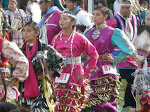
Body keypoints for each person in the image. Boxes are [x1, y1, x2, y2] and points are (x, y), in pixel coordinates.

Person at [82, 6, 136, 112]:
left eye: (98, 15)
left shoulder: (113, 32)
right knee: (87, 99)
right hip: (88, 68)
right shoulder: (88, 32)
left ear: (105, 16)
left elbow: (129, 49)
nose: (95, 17)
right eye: (94, 14)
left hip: (104, 69)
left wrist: (115, 60)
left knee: (104, 100)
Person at [51, 12, 99, 112]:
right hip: (59, 75)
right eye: (60, 19)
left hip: (75, 74)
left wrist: (86, 74)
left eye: (65, 19)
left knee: (72, 103)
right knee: (58, 103)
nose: (61, 21)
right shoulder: (56, 38)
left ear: (73, 23)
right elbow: (51, 58)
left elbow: (94, 55)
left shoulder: (80, 38)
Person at [20, 21, 64, 112]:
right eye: (24, 31)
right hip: (25, 86)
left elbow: (60, 60)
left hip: (41, 86)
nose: (25, 33)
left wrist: (49, 73)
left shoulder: (45, 49)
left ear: (37, 33)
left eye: (28, 31)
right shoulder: (21, 50)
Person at [107, 0, 140, 110]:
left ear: (132, 8)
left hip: (132, 56)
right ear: (119, 8)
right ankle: (112, 104)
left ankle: (130, 104)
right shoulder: (113, 21)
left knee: (133, 81)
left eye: (127, 7)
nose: (125, 10)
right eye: (123, 8)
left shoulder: (136, 20)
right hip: (117, 57)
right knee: (115, 82)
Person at [132, 11, 150, 112]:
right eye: (148, 19)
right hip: (145, 67)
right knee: (145, 94)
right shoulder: (140, 32)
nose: (149, 21)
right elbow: (133, 47)